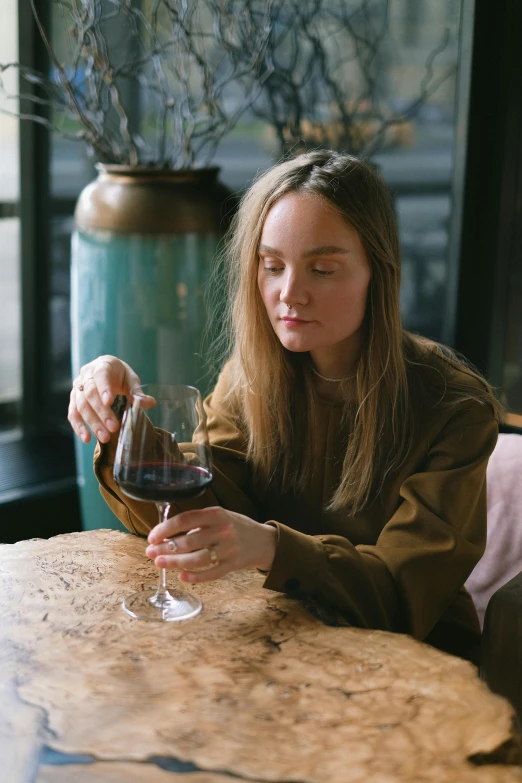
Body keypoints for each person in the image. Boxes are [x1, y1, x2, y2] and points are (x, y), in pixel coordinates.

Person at [68, 150, 501, 664]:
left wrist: (271, 548)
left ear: (377, 273)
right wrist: (121, 417)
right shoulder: (251, 376)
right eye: (272, 266)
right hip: (278, 643)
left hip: (418, 666)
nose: (289, 293)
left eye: (322, 269)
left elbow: (403, 594)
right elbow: (199, 508)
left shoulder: (454, 409)